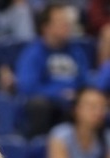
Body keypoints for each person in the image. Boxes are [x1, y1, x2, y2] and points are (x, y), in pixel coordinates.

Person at [15, 2, 92, 138]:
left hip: (72, 104)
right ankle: (39, 146)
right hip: (48, 106)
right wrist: (60, 94)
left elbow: (85, 82)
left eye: (67, 22)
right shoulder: (33, 53)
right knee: (38, 105)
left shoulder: (76, 52)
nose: (67, 26)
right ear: (46, 27)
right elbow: (28, 87)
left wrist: (78, 96)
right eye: (61, 22)